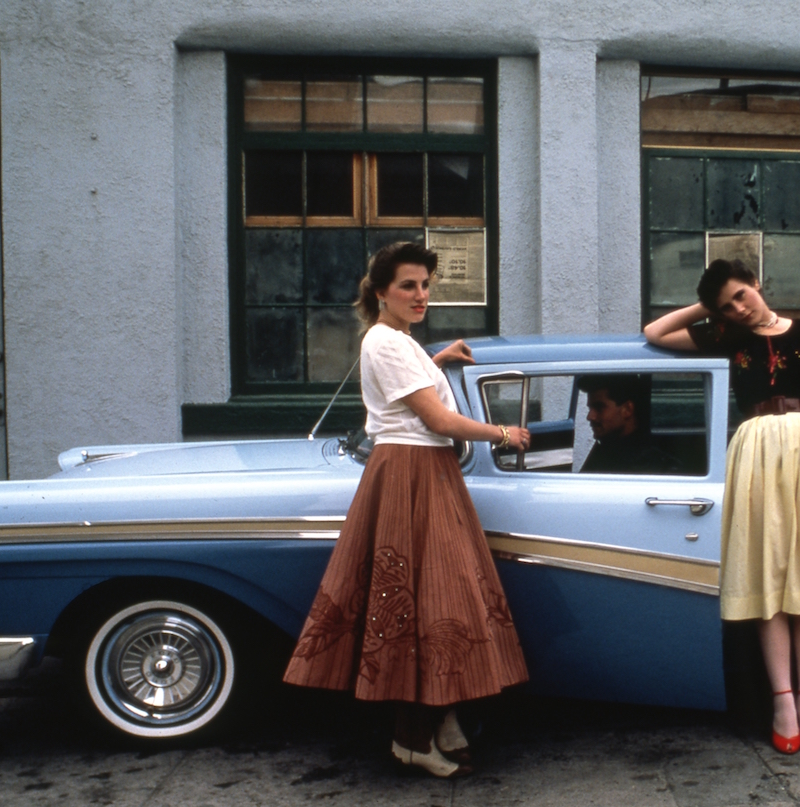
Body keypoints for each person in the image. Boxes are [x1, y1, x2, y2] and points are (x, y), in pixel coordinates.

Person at [283, 242, 530, 779]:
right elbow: (438, 422)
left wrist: (437, 361)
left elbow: (407, 396)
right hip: (411, 476)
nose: (420, 295)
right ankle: (410, 738)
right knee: (419, 607)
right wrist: (504, 432)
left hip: (425, 473)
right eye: (408, 286)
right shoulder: (385, 340)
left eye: (425, 285)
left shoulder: (400, 340)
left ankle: (440, 721)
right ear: (380, 293)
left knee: (440, 604)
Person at [644, 259, 800, 755]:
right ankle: (782, 701)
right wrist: (709, 304)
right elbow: (654, 331)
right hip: (756, 449)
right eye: (727, 304)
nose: (739, 307)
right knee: (767, 575)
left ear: (759, 283)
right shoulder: (725, 336)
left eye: (742, 294)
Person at [576, 374, 682, 474]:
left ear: (627, 409)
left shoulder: (650, 465)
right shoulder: (607, 450)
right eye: (590, 408)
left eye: (599, 407)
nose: (590, 416)